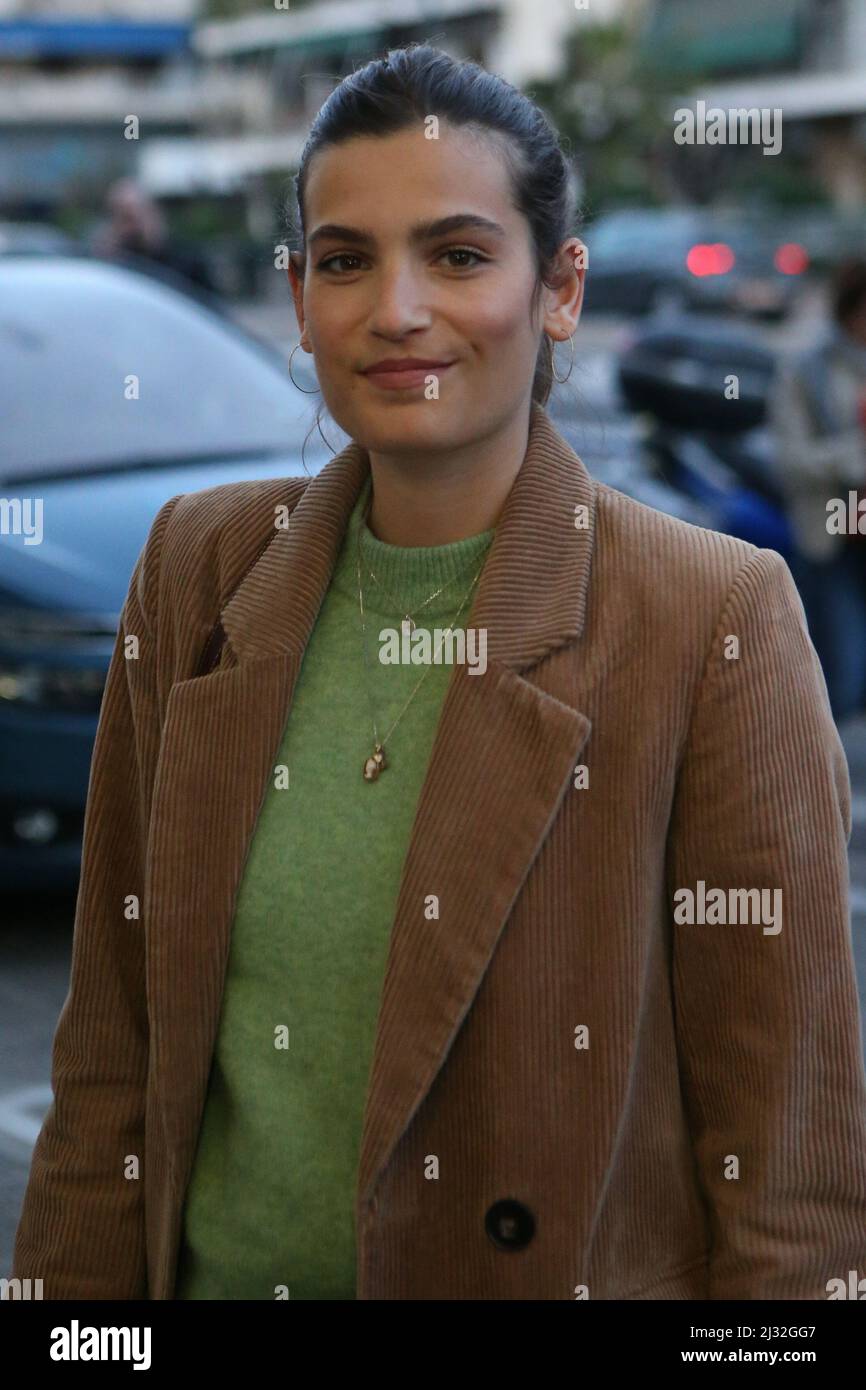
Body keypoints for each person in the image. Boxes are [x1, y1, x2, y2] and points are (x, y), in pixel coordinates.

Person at [10, 44, 866, 1301]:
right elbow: (110, 1061)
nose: (394, 310)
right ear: (298, 298)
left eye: (458, 256)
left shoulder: (708, 616)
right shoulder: (196, 567)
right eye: (345, 261)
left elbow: (783, 1168)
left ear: (559, 289)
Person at [769, 257, 866, 720]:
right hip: (833, 535)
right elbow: (789, 457)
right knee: (842, 668)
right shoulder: (808, 371)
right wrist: (851, 457)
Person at [89, 177, 218, 301]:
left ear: (153, 212)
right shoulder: (110, 267)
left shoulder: (189, 263)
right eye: (123, 218)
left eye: (133, 216)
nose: (131, 227)